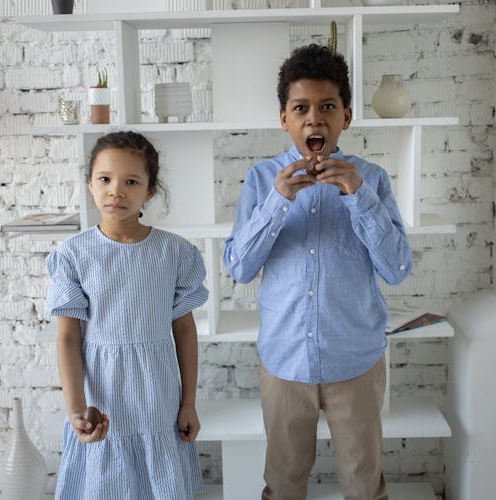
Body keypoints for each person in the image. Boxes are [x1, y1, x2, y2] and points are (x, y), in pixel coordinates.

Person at [223, 44, 413, 500]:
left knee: (364, 484)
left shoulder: (372, 179)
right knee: (284, 483)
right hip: (285, 360)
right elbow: (240, 267)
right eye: (301, 108)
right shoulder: (260, 179)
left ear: (346, 116)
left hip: (356, 361)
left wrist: (358, 194)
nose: (314, 119)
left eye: (328, 106)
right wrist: (277, 201)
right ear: (284, 119)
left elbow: (398, 268)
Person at [45, 131, 207, 499]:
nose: (116, 190)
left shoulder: (174, 253)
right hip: (102, 394)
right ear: (90, 184)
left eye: (131, 181)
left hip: (157, 394)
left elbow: (184, 330)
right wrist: (76, 410)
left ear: (149, 191)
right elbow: (69, 338)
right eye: (105, 179)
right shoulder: (73, 255)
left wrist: (189, 403)